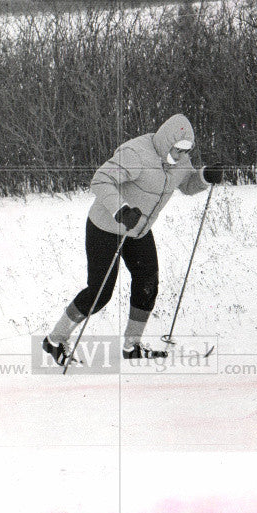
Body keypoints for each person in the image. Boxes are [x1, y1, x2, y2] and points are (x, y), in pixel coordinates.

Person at [42, 114, 224, 365]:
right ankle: (55, 339)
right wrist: (121, 209)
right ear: (166, 141)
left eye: (186, 151)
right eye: (178, 149)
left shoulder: (180, 163)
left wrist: (204, 177)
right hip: (106, 226)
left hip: (137, 230)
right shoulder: (136, 154)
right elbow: (101, 179)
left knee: (148, 282)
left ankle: (132, 345)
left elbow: (187, 184)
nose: (182, 156)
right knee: (100, 293)